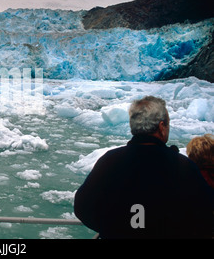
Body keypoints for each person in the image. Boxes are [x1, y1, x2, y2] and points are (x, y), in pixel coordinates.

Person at [74, 96, 214, 238]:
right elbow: (205, 213)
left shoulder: (109, 161)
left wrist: (111, 227)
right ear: (161, 127)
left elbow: (82, 207)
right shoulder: (183, 165)